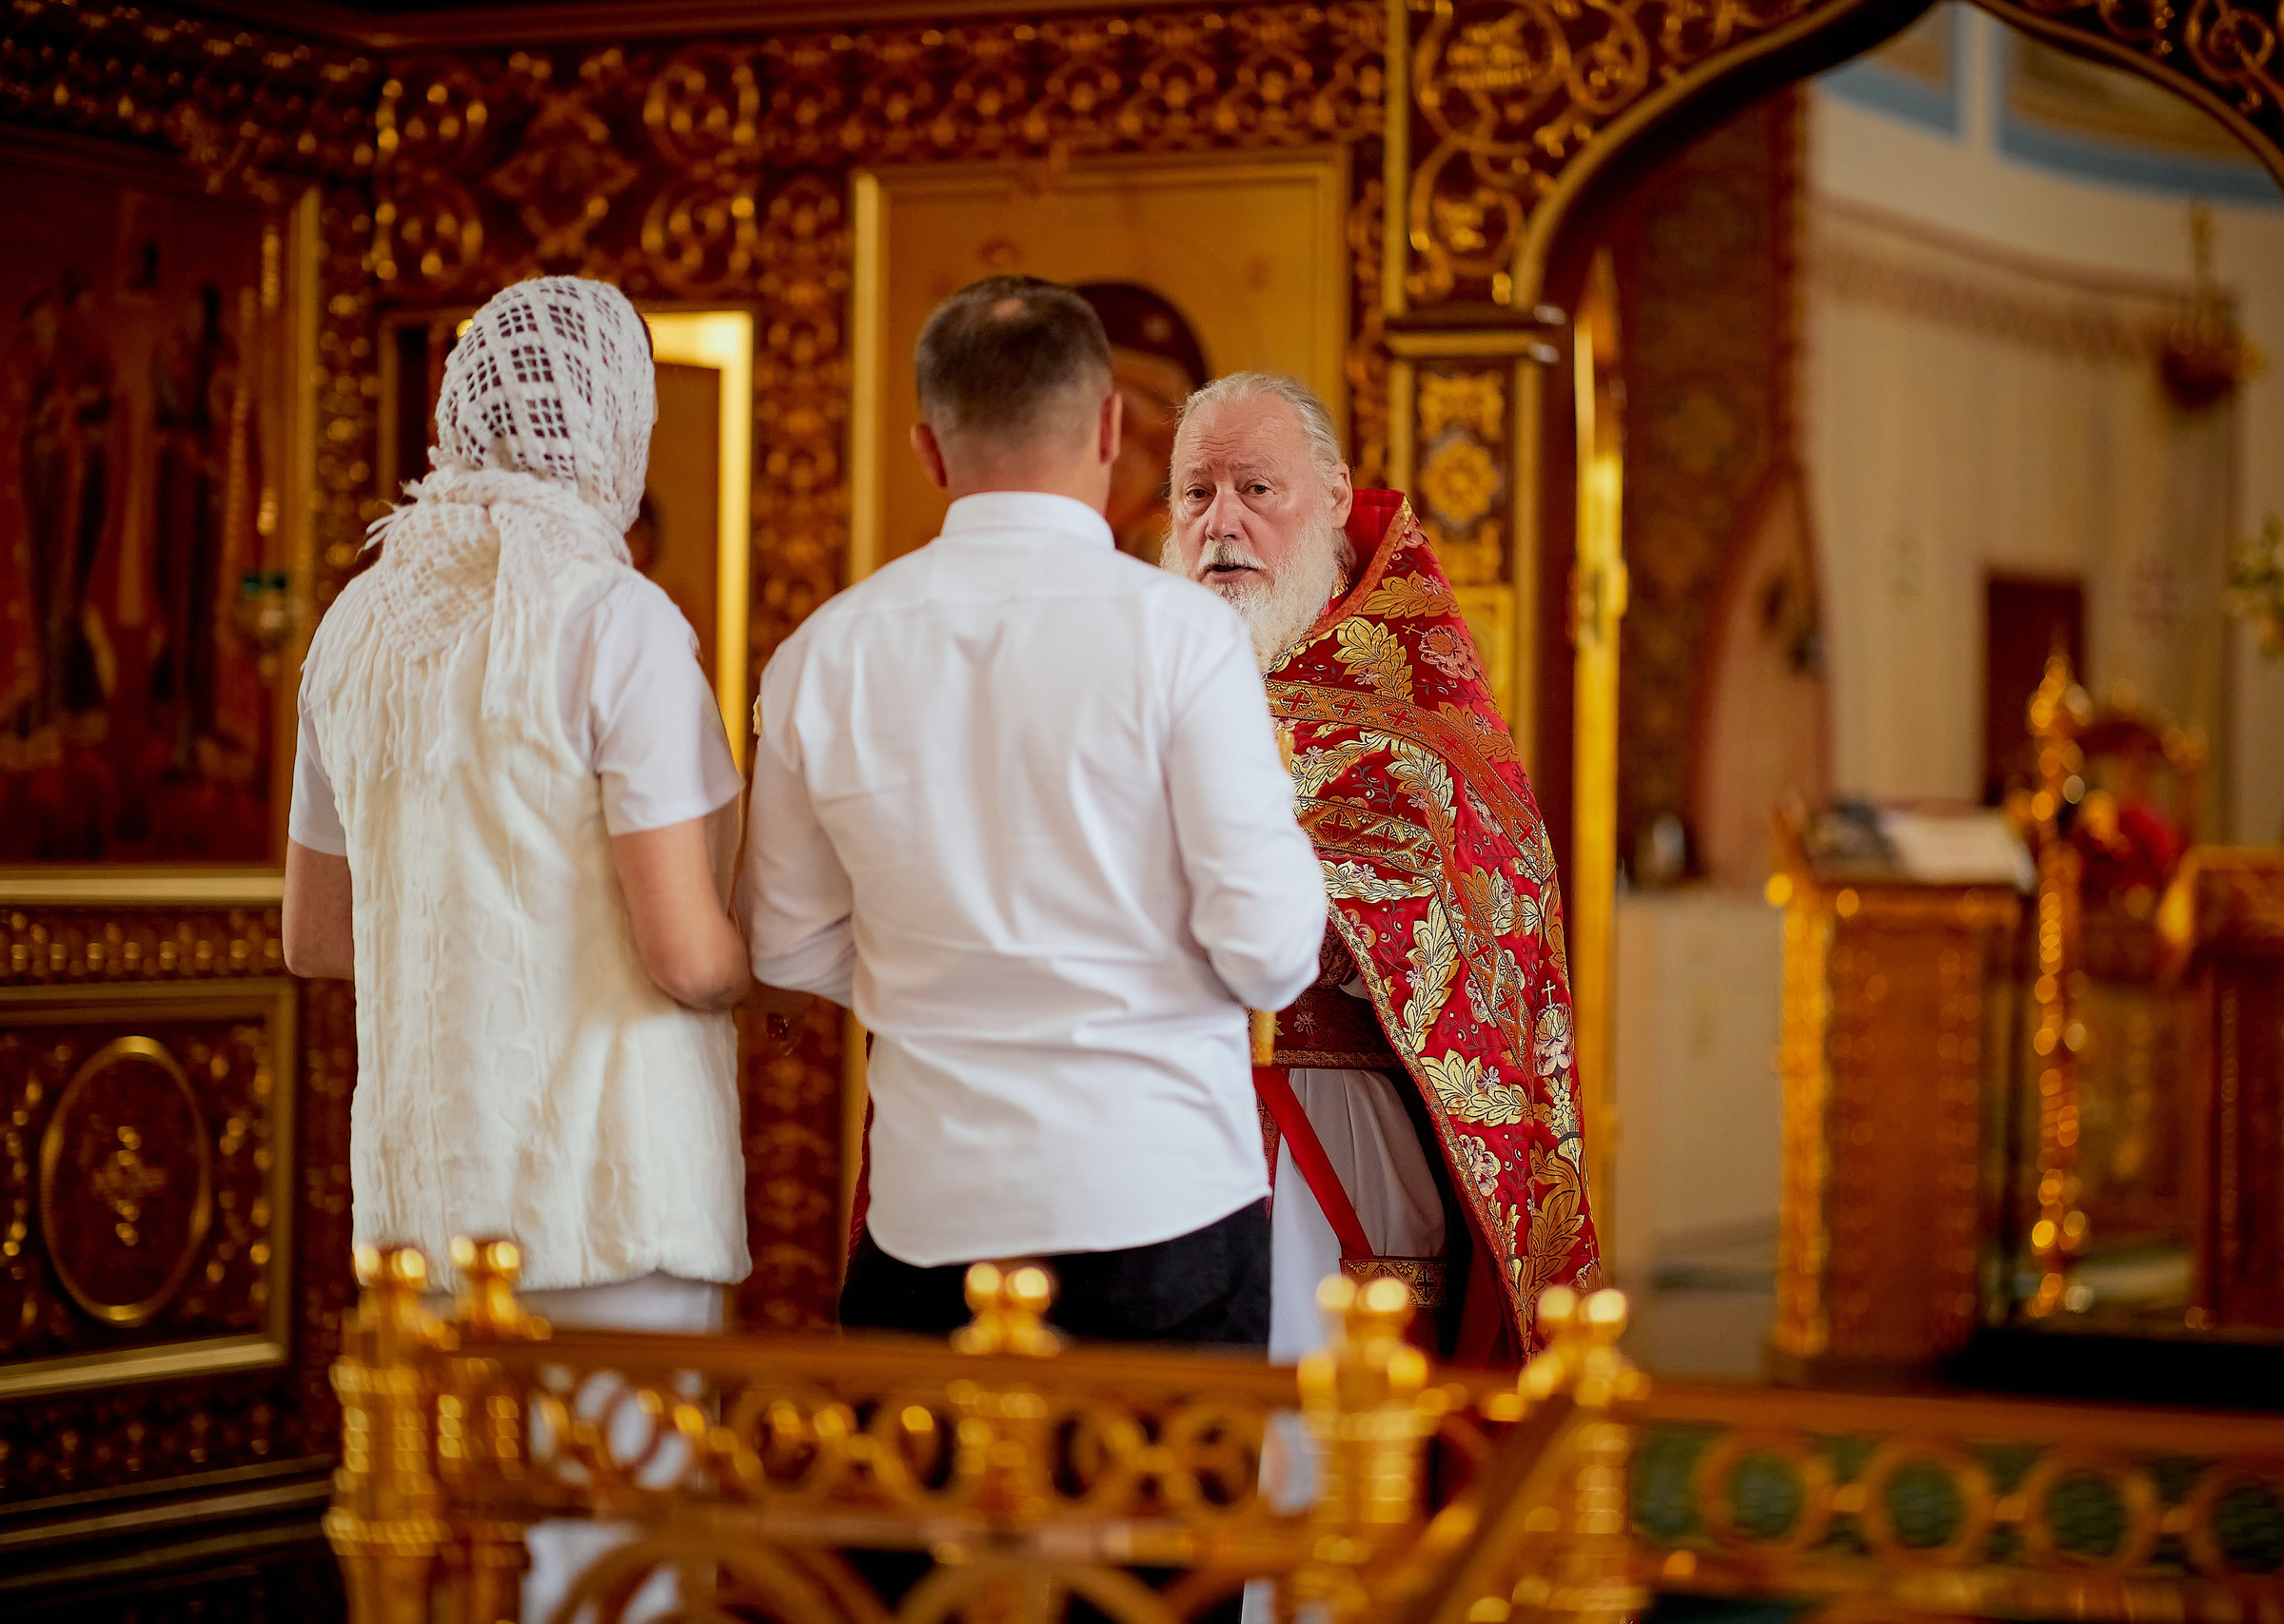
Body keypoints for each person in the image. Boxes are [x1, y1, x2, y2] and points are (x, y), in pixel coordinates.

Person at [281, 276, 751, 1619]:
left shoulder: (355, 624)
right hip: (610, 1191)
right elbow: (684, 952)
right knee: (611, 1577)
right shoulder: (618, 620)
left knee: (438, 1569)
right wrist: (779, 968)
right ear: (619, 424)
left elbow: (317, 936)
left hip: (426, 1198)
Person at [741, 275, 1325, 1348]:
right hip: (1164, 1201)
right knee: (1155, 1522)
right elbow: (1270, 957)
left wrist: (940, 976)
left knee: (942, 1516)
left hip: (930, 1223)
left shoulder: (823, 655)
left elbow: (782, 944)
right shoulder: (1184, 638)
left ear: (926, 448)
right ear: (1110, 426)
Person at [1160, 372, 1604, 1365]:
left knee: (1332, 1447)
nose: (1220, 521)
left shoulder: (1416, 705)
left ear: (1329, 495)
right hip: (1147, 1120)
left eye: (1254, 489)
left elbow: (1472, 912)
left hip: (1333, 1119)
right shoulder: (1129, 679)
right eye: (1196, 492)